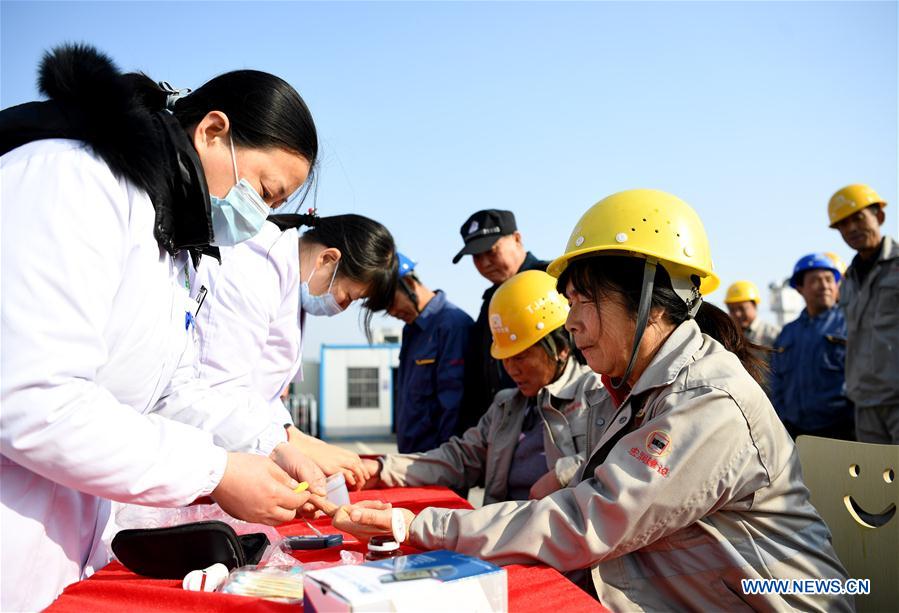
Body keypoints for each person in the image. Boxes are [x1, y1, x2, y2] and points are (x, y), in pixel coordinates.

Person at [318, 190, 851, 611]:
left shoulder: (707, 401)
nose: (571, 324)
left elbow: (588, 520)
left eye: (584, 301)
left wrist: (417, 526)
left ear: (648, 299)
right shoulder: (637, 388)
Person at [1, 45, 322, 610]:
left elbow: (166, 390)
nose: (259, 216)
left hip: (63, 538)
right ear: (213, 132)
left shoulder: (172, 238)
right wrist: (215, 471)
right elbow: (31, 396)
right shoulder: (72, 179)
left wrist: (269, 445)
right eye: (265, 192)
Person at [190, 213, 398, 486]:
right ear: (328, 259)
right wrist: (285, 443)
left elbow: (262, 393)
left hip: (230, 441)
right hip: (200, 448)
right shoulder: (254, 272)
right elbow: (217, 388)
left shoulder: (287, 284)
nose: (340, 308)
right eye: (347, 297)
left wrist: (291, 435)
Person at [369, 270, 599, 501]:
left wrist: (562, 476)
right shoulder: (505, 406)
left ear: (562, 348)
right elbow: (458, 458)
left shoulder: (595, 394)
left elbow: (620, 459)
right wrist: (383, 470)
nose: (511, 369)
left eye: (520, 357)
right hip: (499, 529)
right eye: (505, 358)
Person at [452, 209, 548, 434]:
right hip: (503, 428)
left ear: (517, 239)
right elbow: (479, 374)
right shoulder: (491, 302)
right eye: (476, 256)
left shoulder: (552, 283)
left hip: (551, 426)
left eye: (491, 251)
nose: (484, 263)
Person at [828, 184, 899, 443]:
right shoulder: (847, 282)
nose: (852, 229)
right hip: (864, 402)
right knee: (875, 480)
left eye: (858, 218)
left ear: (879, 216)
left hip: (897, 397)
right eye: (843, 225)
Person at [385, 252, 473, 453]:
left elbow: (454, 406)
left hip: (436, 461)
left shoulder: (453, 325)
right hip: (411, 456)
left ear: (408, 282)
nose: (391, 312)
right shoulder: (412, 329)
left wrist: (445, 461)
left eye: (390, 302)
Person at [769, 255, 854, 440]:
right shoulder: (787, 333)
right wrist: (783, 417)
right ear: (800, 288)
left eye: (829, 279)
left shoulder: (851, 325)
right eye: (815, 280)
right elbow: (776, 381)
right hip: (795, 432)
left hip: (843, 431)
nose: (824, 286)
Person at [723, 280, 781, 347]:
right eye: (732, 309)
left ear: (754, 306)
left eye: (742, 308)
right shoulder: (728, 336)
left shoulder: (774, 335)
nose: (737, 314)